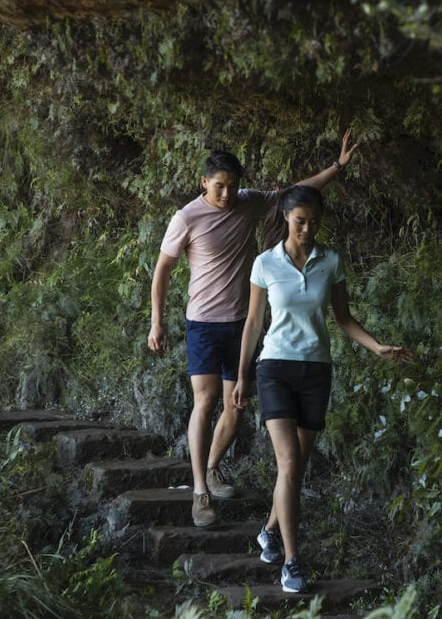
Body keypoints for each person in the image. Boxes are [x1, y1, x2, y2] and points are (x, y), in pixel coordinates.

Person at [149, 134, 357, 528]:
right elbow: (163, 270)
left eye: (231, 186)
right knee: (206, 400)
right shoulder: (186, 218)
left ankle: (211, 467)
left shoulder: (249, 202)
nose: (225, 194)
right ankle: (199, 491)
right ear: (203, 182)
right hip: (203, 323)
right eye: (218, 186)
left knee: (235, 406)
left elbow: (298, 195)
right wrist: (157, 321)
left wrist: (339, 166)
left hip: (242, 322)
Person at [233, 185, 413, 593]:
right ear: (284, 218)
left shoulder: (330, 261)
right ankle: (292, 562)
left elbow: (344, 318)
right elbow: (253, 323)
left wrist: (376, 346)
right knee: (290, 464)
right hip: (274, 368)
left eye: (314, 222)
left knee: (295, 469)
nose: (308, 229)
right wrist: (242, 375)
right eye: (300, 222)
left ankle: (269, 530)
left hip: (316, 370)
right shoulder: (265, 264)